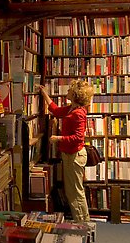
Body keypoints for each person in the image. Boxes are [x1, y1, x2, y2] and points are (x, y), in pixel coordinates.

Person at [39, 79, 94, 222]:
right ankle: (81, 222)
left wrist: (58, 138)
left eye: (70, 90)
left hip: (75, 155)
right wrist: (44, 94)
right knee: (72, 191)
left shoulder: (79, 113)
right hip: (70, 155)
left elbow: (78, 137)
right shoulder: (71, 109)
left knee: (76, 192)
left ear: (75, 94)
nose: (67, 91)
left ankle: (83, 223)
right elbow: (56, 110)